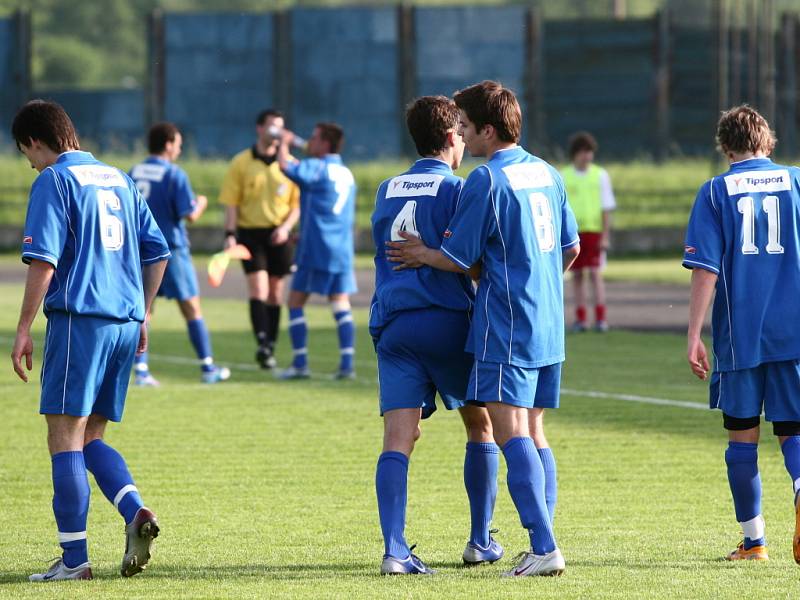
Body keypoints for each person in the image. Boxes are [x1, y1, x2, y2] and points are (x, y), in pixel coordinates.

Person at [387, 80, 580, 577]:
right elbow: (570, 248)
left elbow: (457, 256)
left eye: (468, 127)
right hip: (547, 322)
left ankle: (543, 546)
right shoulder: (548, 172)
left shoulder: (485, 179)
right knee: (535, 430)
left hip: (505, 323)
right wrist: (537, 281)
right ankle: (543, 538)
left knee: (510, 429)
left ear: (488, 130)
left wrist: (422, 253)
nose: (463, 136)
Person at [10, 100, 170, 582]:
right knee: (92, 435)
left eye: (26, 154)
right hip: (124, 321)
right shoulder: (119, 178)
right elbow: (158, 252)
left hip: (80, 322)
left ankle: (75, 560)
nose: (30, 163)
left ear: (36, 141)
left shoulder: (54, 180)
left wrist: (21, 329)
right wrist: (142, 313)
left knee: (63, 438)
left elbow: (44, 260)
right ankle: (136, 510)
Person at [371, 96, 502, 575]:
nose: (466, 140)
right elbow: (470, 259)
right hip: (448, 320)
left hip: (394, 323)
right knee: (481, 425)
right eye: (462, 133)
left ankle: (394, 550)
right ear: (451, 137)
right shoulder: (458, 188)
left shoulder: (387, 188)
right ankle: (479, 541)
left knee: (397, 439)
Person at [685, 105, 800, 563]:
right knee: (793, 431)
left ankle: (754, 542)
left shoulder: (715, 192)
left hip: (741, 336)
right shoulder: (795, 181)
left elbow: (705, 271)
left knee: (741, 438)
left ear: (725, 148)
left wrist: (694, 333)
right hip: (794, 335)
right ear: (767, 142)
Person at [130, 122, 230, 385]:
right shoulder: (174, 174)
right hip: (171, 250)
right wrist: (202, 203)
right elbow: (190, 214)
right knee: (191, 308)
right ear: (168, 144)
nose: (180, 149)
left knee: (145, 310)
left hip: (140, 250)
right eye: (178, 144)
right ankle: (208, 368)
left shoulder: (134, 171)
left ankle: (141, 371)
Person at [220, 109, 300, 369]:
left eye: (280, 127)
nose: (276, 132)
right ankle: (262, 342)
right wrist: (230, 235)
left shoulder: (290, 165)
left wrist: (286, 228)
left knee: (276, 293)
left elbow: (297, 205)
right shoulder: (241, 162)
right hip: (250, 234)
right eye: (272, 126)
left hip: (279, 234)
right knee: (258, 288)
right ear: (259, 129)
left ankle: (270, 345)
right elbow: (231, 203)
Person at [277, 122, 357, 380]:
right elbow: (329, 210)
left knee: (295, 302)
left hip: (317, 250)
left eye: (314, 138)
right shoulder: (346, 172)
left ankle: (300, 363)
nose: (310, 142)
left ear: (325, 144)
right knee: (340, 303)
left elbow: (285, 166)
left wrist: (284, 143)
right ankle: (347, 364)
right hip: (341, 249)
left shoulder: (318, 166)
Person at [561, 131, 615, 332]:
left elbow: (607, 207)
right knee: (576, 276)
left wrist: (606, 236)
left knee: (595, 274)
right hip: (573, 233)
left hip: (594, 232)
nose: (588, 156)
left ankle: (601, 318)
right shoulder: (564, 175)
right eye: (584, 151)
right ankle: (581, 318)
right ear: (575, 153)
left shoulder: (599, 175)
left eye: (590, 152)